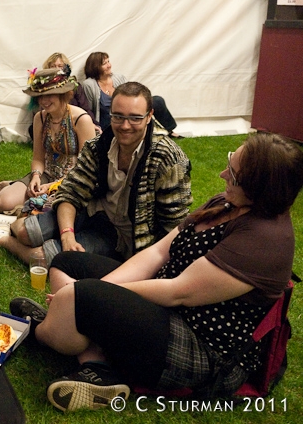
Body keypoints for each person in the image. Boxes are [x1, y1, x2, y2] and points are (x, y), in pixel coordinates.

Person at [17, 132, 303, 412]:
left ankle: (43, 332)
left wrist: (91, 294)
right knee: (67, 263)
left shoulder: (263, 240)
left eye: (233, 174)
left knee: (81, 295)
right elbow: (159, 252)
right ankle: (94, 359)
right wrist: (97, 293)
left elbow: (179, 292)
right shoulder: (228, 203)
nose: (222, 175)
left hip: (198, 347)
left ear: (261, 189)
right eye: (230, 162)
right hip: (164, 300)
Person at [0, 82, 192, 264]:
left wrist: (146, 261)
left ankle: (2, 239)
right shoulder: (100, 146)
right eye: (118, 116)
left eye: (135, 118)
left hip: (123, 237)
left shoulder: (167, 158)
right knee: (24, 232)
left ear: (150, 115)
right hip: (92, 212)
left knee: (44, 258)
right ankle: (12, 226)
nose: (125, 125)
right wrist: (67, 234)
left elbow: (174, 225)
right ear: (109, 114)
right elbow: (72, 192)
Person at [0, 66, 95, 214]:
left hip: (73, 181)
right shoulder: (40, 118)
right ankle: (25, 196)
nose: (44, 101)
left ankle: (29, 205)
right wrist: (36, 177)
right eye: (40, 96)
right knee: (2, 202)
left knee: (50, 209)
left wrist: (53, 186)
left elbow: (86, 168)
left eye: (49, 95)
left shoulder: (81, 119)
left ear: (63, 94)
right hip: (46, 175)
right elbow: (38, 157)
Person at [82, 51, 179, 135]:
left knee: (158, 100)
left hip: (128, 111)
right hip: (110, 119)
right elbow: (89, 109)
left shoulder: (119, 78)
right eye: (104, 63)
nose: (109, 65)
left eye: (109, 61)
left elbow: (131, 93)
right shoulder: (89, 84)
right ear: (95, 67)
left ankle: (170, 130)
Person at [26, 52, 99, 139]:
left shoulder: (81, 117)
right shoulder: (40, 118)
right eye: (53, 66)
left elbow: (85, 107)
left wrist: (92, 123)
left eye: (60, 66)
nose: (44, 100)